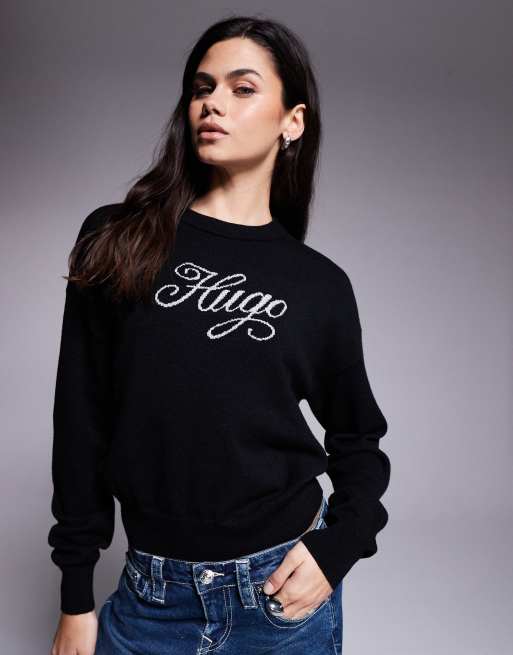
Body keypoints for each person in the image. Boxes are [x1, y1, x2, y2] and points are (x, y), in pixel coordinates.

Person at [48, 15, 390, 655]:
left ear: (292, 122)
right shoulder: (119, 239)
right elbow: (80, 420)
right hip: (151, 598)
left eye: (242, 88)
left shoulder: (318, 285)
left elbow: (358, 440)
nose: (212, 103)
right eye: (202, 88)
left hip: (280, 593)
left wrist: (338, 547)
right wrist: (75, 595)